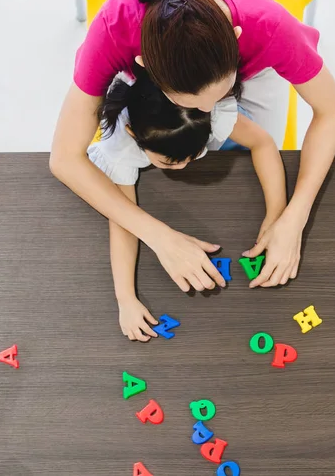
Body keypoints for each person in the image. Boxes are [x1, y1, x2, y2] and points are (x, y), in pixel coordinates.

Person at [50, 0, 335, 292]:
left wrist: (293, 217)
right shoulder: (112, 31)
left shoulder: (268, 26)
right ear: (144, 66)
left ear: (236, 38)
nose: (210, 113)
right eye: (191, 104)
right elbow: (64, 158)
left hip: (255, 66)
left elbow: (332, 111)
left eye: (218, 98)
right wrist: (160, 237)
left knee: (260, 143)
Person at [91, 67, 286, 341]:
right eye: (170, 162)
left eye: (193, 157)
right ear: (134, 135)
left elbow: (263, 143)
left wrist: (277, 216)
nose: (182, 168)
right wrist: (125, 298)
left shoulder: (208, 112)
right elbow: (123, 219)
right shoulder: (121, 147)